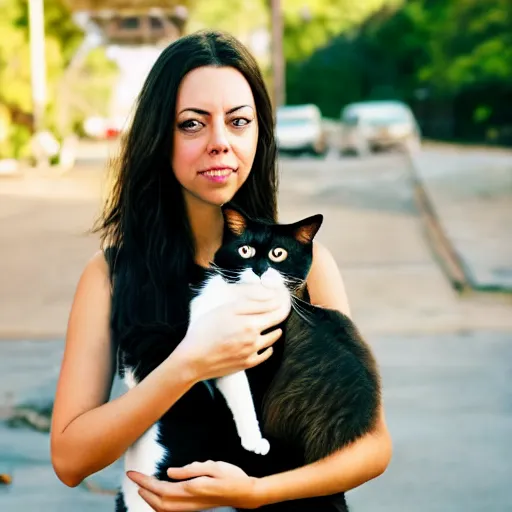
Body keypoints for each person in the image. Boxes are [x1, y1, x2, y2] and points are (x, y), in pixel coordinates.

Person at [50, 30, 392, 511]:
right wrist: (190, 363)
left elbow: (372, 446)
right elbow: (69, 460)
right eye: (192, 124)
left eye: (238, 121)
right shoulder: (111, 275)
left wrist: (255, 492)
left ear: (259, 133)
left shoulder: (307, 271)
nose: (220, 143)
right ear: (158, 136)